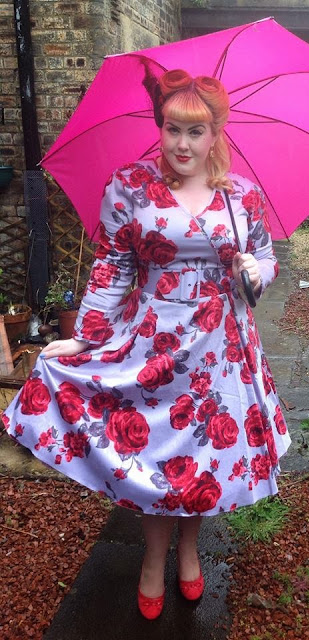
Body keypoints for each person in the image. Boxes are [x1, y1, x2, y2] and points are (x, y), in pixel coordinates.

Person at [1, 69, 290, 619]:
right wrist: (82, 339)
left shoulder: (241, 195)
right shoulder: (130, 186)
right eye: (172, 129)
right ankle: (153, 559)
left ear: (215, 133)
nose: (183, 144)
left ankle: (189, 550)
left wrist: (256, 271)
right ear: (160, 127)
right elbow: (112, 267)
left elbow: (264, 257)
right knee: (156, 454)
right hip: (154, 338)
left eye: (196, 132)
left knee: (203, 457)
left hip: (221, 347)